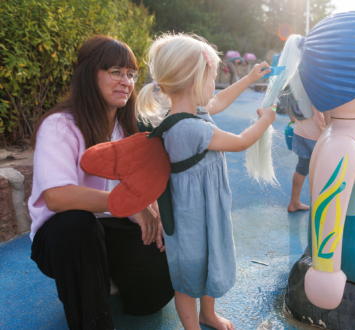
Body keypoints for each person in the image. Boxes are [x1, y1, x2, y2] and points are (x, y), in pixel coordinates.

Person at [28, 35, 174, 330]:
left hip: (112, 226)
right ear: (89, 73)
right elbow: (57, 197)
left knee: (152, 295)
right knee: (77, 226)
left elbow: (145, 180)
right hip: (64, 237)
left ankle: (104, 274)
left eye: (131, 74)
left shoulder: (128, 126)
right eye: (115, 72)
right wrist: (130, 204)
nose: (127, 81)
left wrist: (152, 210)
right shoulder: (60, 125)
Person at [135, 33, 274, 330]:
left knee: (210, 261)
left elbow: (219, 100)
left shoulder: (192, 114)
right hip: (190, 217)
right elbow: (239, 142)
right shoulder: (189, 129)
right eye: (212, 78)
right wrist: (265, 120)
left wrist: (249, 78)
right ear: (195, 80)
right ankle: (193, 326)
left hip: (206, 209)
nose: (214, 86)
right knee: (188, 274)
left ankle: (207, 314)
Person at [287, 105, 330, 212]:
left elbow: (288, 101)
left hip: (300, 131)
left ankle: (294, 202)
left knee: (302, 167)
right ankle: (321, 207)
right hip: (316, 134)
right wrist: (330, 132)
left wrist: (293, 120)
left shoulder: (298, 87)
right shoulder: (320, 87)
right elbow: (326, 109)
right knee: (323, 170)